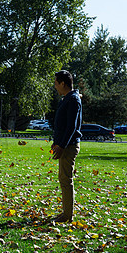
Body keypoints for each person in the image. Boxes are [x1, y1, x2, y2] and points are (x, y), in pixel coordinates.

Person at [51, 70, 82, 222]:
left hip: (68, 146)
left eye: (56, 83)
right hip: (64, 145)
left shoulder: (73, 99)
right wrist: (56, 142)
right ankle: (66, 213)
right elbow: (62, 125)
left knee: (66, 179)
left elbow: (71, 126)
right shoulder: (67, 99)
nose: (55, 86)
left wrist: (62, 146)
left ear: (63, 83)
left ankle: (67, 215)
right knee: (63, 179)